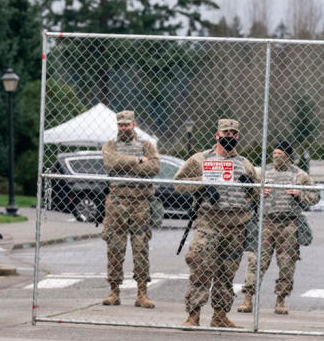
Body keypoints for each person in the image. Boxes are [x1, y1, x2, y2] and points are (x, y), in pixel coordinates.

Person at [175, 119, 259, 328]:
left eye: (233, 133)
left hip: (236, 226)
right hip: (209, 224)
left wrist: (250, 186)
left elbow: (257, 195)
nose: (229, 136)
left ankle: (220, 316)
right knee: (201, 269)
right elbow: (178, 184)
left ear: (237, 137)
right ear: (217, 135)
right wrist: (202, 183)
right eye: (225, 132)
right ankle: (193, 316)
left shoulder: (245, 164)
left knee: (226, 273)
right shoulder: (200, 159)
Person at [237, 141, 320, 315]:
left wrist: (300, 194)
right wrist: (259, 193)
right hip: (265, 224)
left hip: (288, 226)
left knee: (287, 265)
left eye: (280, 154)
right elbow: (248, 195)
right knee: (256, 262)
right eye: (274, 153)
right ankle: (248, 299)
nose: (276, 157)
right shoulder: (263, 173)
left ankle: (280, 300)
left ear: (288, 156)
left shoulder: (299, 175)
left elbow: (315, 197)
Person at [99, 110, 161, 309]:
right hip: (117, 201)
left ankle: (142, 292)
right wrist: (136, 161)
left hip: (140, 202)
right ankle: (114, 291)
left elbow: (154, 167)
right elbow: (110, 162)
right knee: (115, 247)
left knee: (141, 247)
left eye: (127, 124)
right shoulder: (110, 146)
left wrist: (123, 164)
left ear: (134, 125)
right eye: (121, 125)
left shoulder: (146, 145)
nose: (124, 128)